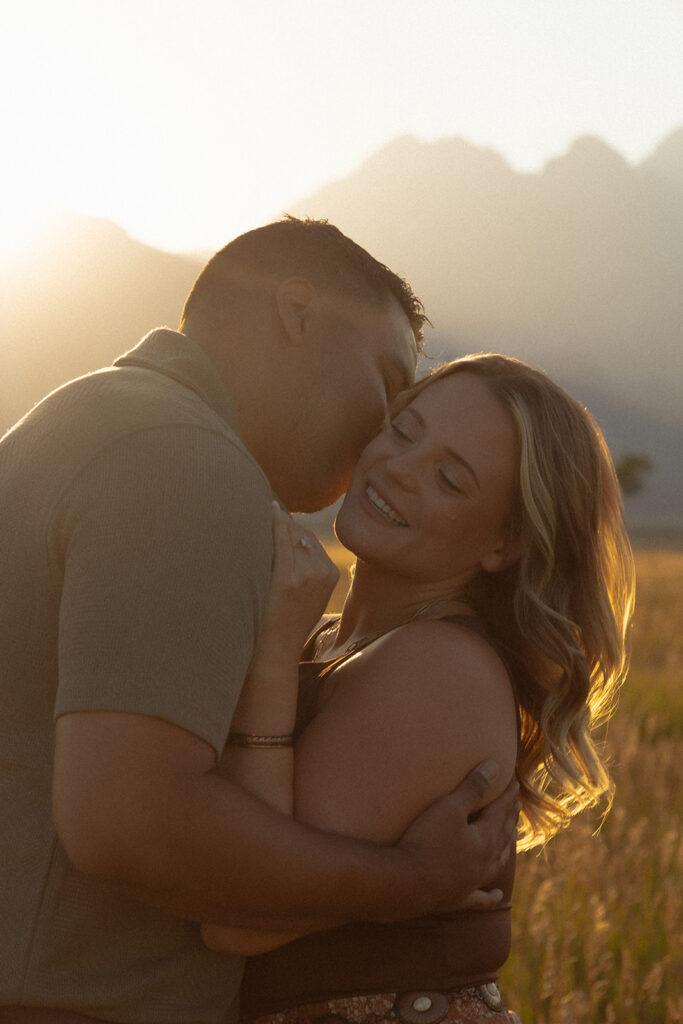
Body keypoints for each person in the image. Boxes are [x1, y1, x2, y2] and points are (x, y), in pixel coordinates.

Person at [0, 218, 519, 1024]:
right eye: (388, 387)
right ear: (297, 311)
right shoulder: (188, 463)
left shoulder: (89, 415)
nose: (377, 434)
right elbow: (124, 821)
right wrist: (407, 881)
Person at [200, 353, 635, 1024]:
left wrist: (269, 660)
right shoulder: (330, 638)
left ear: (503, 544)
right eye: (403, 431)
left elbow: (242, 918)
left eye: (448, 478)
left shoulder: (440, 668)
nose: (398, 468)